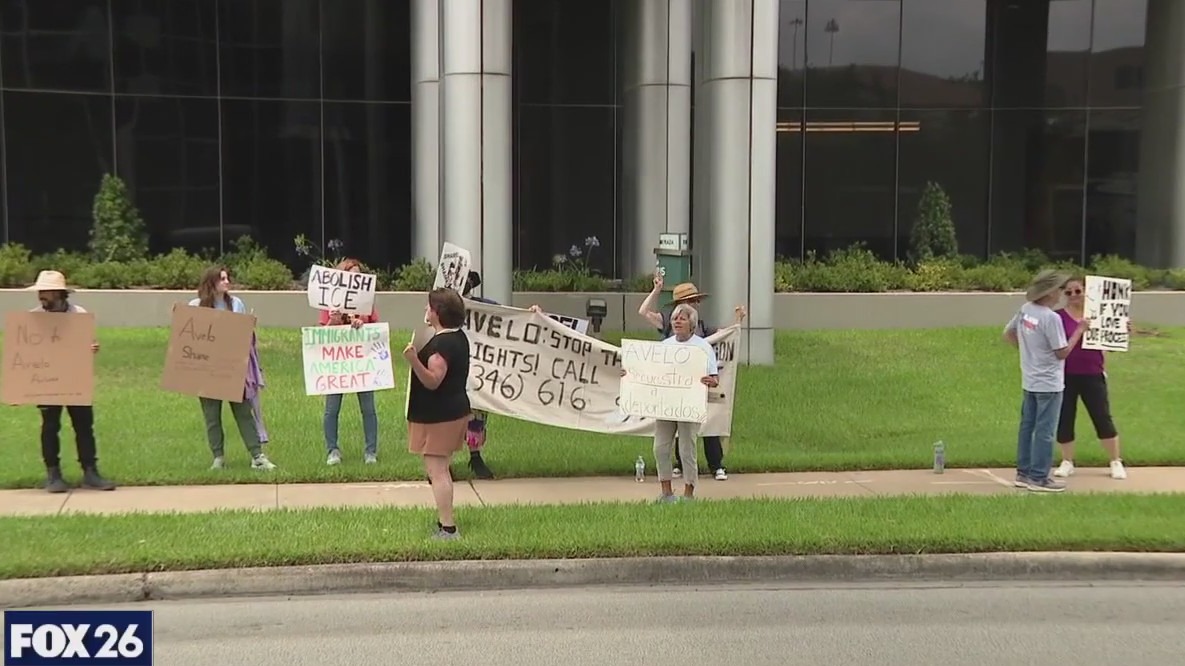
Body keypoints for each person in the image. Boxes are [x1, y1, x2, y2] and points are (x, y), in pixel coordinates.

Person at [638, 274, 744, 481]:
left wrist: (738, 320)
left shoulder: (702, 328)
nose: (694, 304)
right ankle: (680, 465)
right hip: (674, 386)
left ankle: (716, 465)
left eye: (695, 301)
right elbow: (643, 311)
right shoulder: (668, 323)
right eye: (689, 301)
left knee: (709, 422)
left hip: (697, 385)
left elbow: (725, 335)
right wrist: (656, 290)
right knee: (678, 428)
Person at [26, 270, 116, 493]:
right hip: (47, 380)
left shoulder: (78, 314)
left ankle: (90, 472)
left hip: (75, 378)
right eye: (40, 291)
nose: (41, 296)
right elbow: (26, 354)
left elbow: (86, 343)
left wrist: (91, 347)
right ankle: (53, 474)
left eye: (46, 292)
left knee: (84, 425)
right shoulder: (33, 317)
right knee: (50, 426)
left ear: (59, 293)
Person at [1002, 269, 1090, 493]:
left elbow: (1008, 334)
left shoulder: (1026, 310)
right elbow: (1061, 352)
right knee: (1045, 431)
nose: (1061, 293)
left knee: (1027, 427)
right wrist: (1079, 330)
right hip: (1049, 383)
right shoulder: (1050, 318)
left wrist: (1029, 352)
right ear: (1050, 292)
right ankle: (1039, 477)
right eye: (1059, 289)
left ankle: (1023, 473)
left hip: (1030, 379)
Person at [627, 303, 719, 502]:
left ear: (692, 324)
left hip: (689, 405)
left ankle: (688, 493)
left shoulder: (702, 347)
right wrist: (630, 374)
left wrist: (711, 381)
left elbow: (714, 377)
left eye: (682, 319)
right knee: (660, 448)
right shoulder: (665, 346)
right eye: (675, 318)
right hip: (666, 405)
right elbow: (650, 372)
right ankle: (666, 492)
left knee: (687, 449)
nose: (677, 322)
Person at [189, 266, 277, 471]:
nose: (227, 282)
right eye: (222, 279)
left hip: (232, 368)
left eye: (227, 278)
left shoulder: (236, 303)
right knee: (212, 416)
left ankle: (257, 456)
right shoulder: (195, 305)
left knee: (244, 412)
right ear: (211, 282)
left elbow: (241, 334)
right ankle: (218, 458)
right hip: (207, 370)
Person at [404, 287, 472, 539]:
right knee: (440, 469)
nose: (426, 309)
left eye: (429, 306)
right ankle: (445, 523)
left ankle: (448, 527)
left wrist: (413, 360)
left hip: (439, 417)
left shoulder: (442, 344)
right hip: (450, 412)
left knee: (438, 472)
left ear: (438, 312)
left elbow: (433, 381)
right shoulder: (457, 337)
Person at [1052, 277, 1128, 480]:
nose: (1074, 295)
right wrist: (1080, 329)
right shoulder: (1058, 317)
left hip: (1092, 373)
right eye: (1068, 292)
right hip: (1066, 374)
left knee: (1102, 416)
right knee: (1065, 417)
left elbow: (1110, 343)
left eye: (1077, 291)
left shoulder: (1099, 314)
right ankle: (1067, 461)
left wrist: (1120, 331)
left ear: (1086, 291)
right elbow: (1057, 346)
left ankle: (1115, 460)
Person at [320, 258, 381, 466]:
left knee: (368, 409)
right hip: (337, 363)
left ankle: (371, 452)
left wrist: (362, 325)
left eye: (358, 276)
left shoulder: (366, 303)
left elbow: (376, 331)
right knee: (332, 409)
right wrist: (333, 321)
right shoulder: (329, 302)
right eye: (351, 275)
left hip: (361, 362)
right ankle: (332, 450)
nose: (355, 279)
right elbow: (321, 336)